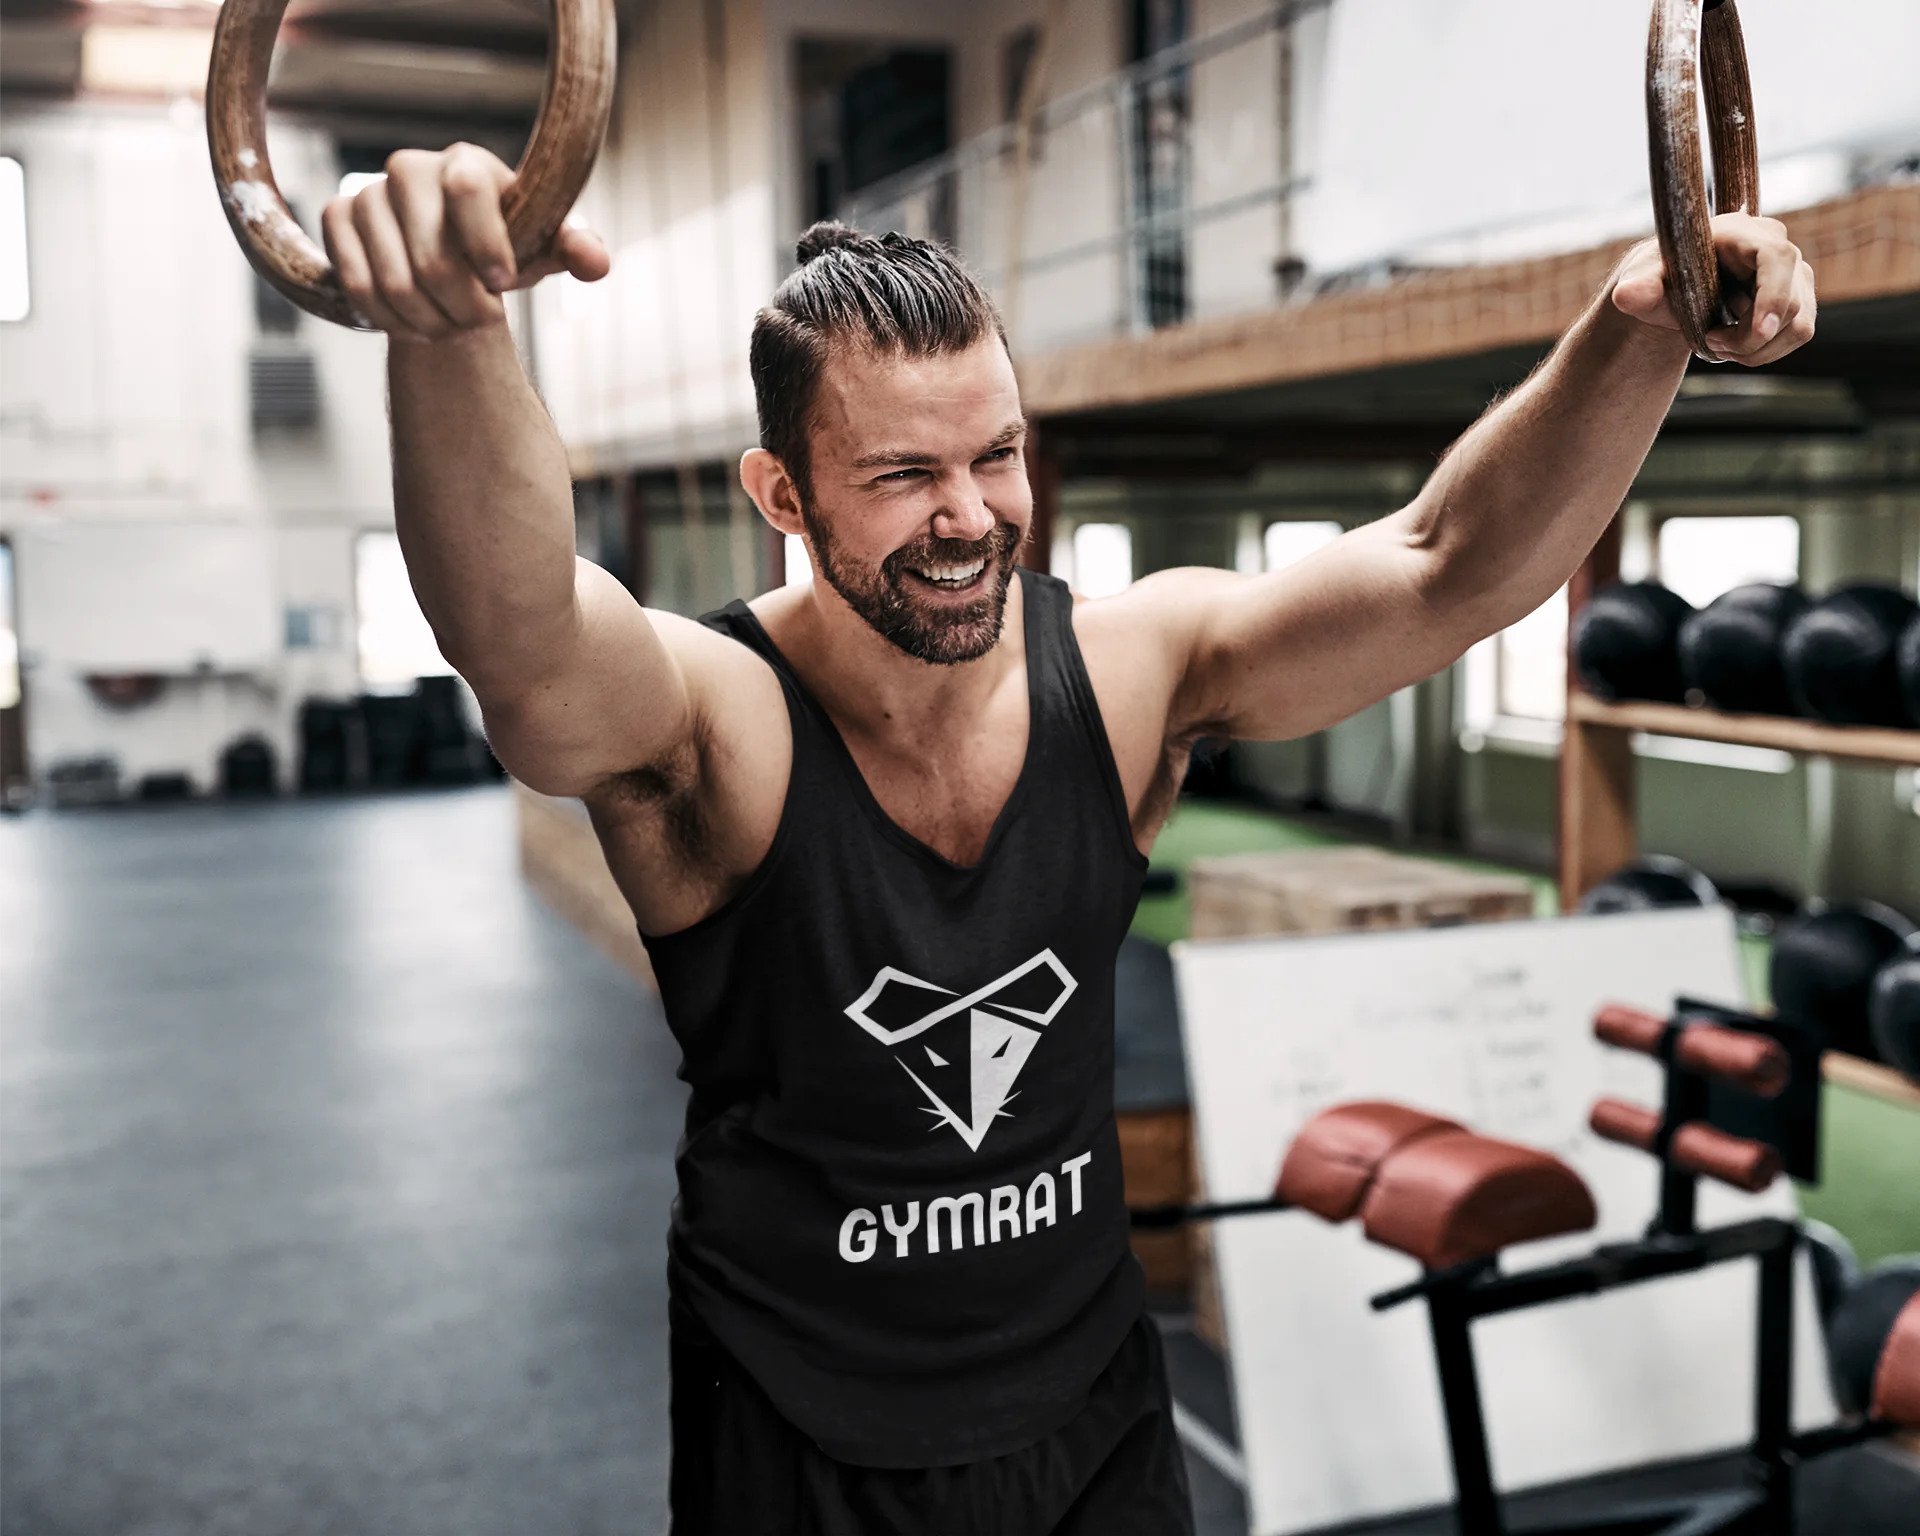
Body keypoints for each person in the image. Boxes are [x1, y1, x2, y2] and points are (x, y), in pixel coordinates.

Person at [324, 143, 1817, 1534]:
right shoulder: (720, 719)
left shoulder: (1125, 671)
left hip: (1094, 1407)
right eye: (902, 476)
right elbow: (521, 641)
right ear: (781, 494)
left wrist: (1640, 324)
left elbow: (1446, 566)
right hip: (804, 1434)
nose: (970, 516)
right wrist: (452, 331)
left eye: (997, 455)